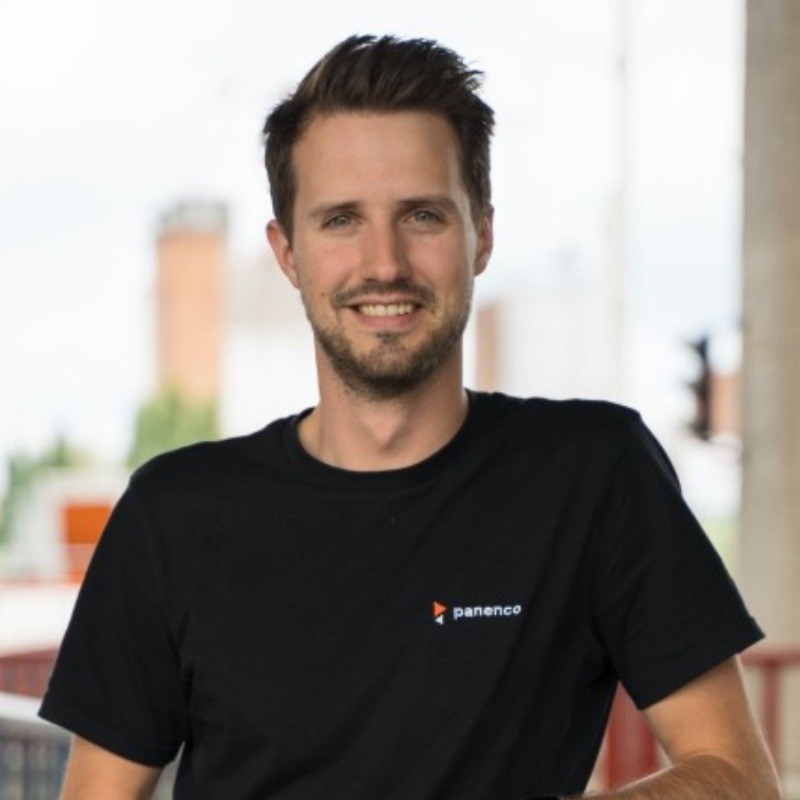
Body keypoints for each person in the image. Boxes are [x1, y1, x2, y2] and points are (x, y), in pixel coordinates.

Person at [40, 34, 780, 800]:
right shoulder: (175, 514)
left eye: (422, 215)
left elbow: (736, 778)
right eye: (341, 221)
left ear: (481, 235)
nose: (384, 263)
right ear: (287, 252)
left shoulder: (593, 471)